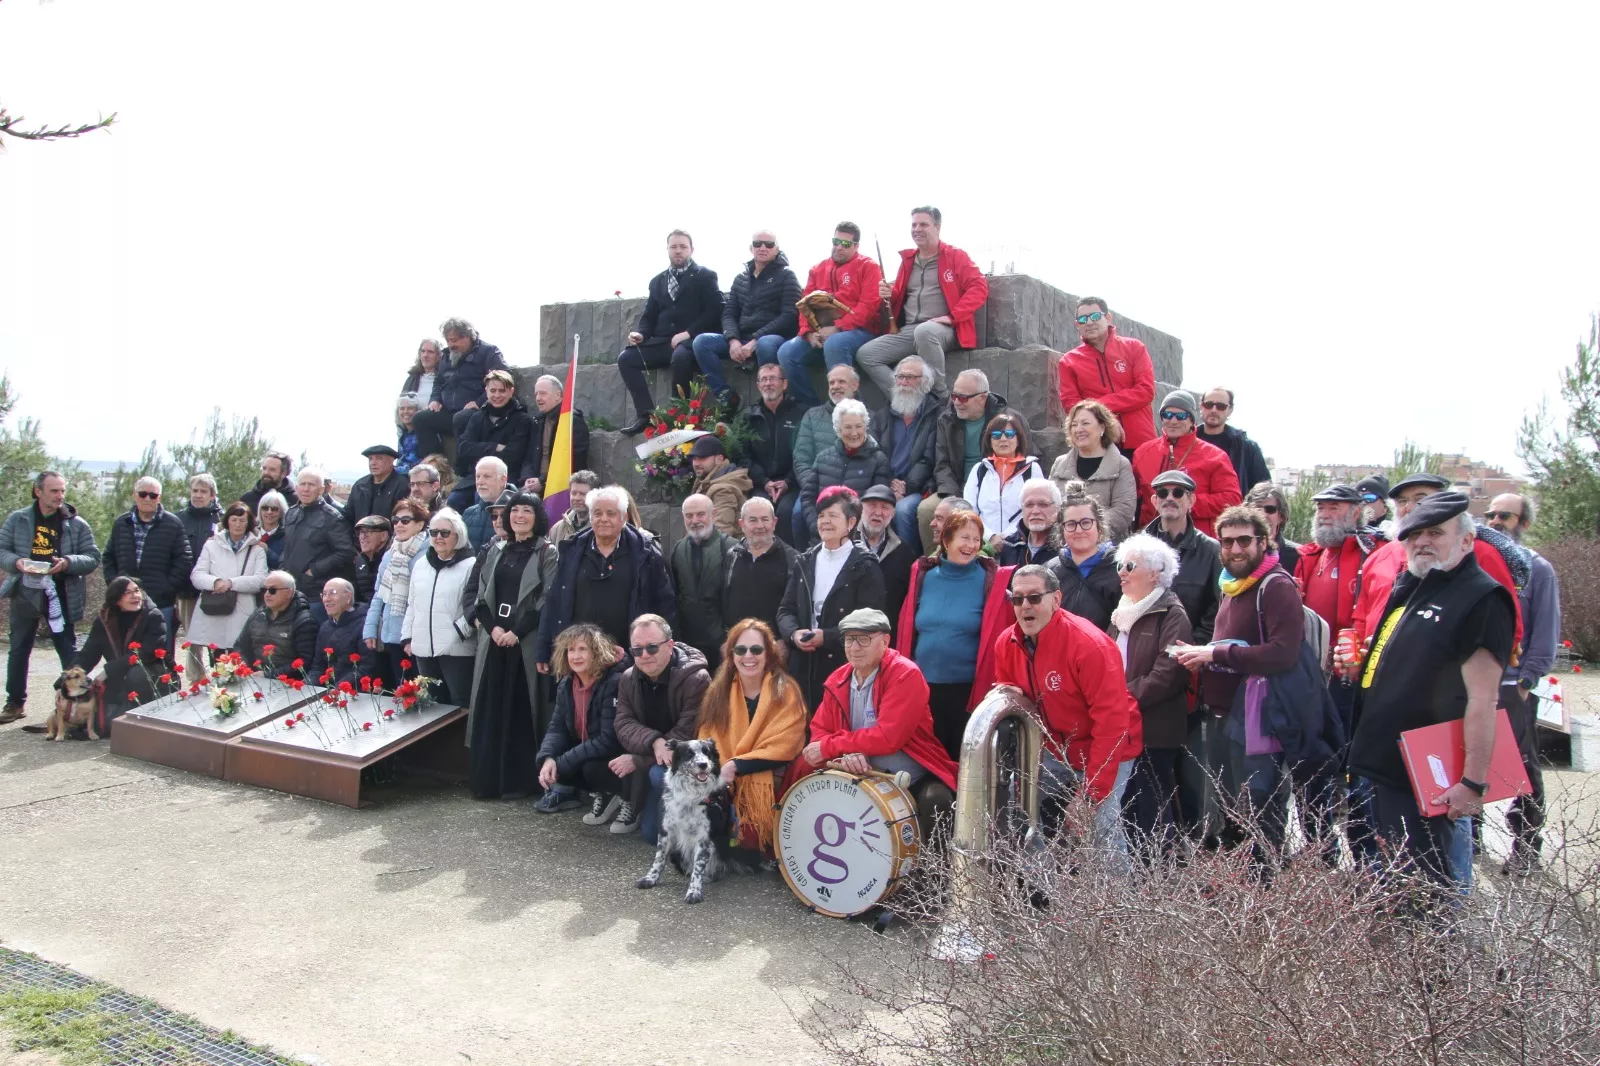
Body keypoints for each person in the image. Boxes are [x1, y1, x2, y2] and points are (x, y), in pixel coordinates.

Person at [1350, 492, 1515, 902]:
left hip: (1427, 774)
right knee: (1389, 894)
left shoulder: (1482, 597)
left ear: (1466, 540)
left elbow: (1483, 699)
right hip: (1379, 765)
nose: (1422, 541)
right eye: (1414, 534)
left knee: (1425, 899)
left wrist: (1472, 783)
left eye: (1436, 533)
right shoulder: (1413, 584)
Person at [1173, 506, 1307, 861]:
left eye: (1244, 540)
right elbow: (1234, 645)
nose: (1235, 549)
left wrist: (1215, 654)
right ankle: (1241, 885)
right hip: (1226, 717)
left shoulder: (1276, 586)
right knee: (1233, 812)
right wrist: (1203, 654)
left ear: (1265, 541)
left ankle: (1267, 887)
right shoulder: (1233, 585)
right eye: (1227, 541)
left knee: (1259, 814)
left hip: (1259, 721)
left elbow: (1283, 654)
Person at [992, 565, 1142, 860]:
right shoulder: (1007, 643)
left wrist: (1090, 796)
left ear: (1056, 599)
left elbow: (1112, 725)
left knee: (1099, 825)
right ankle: (1039, 882)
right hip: (1055, 747)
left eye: (1034, 597)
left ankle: (1117, 889)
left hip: (1108, 744)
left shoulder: (1089, 645)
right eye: (1017, 599)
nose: (1025, 606)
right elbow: (1010, 695)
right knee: (1015, 805)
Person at [797, 608, 958, 845]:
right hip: (856, 778)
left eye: (863, 639)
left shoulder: (905, 674)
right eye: (849, 639)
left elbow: (888, 737)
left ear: (885, 641)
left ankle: (934, 868)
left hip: (909, 780)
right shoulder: (838, 679)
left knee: (936, 801)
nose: (854, 647)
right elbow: (820, 733)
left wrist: (835, 747)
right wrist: (845, 755)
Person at [1352, 473, 1525, 653]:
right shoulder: (1380, 556)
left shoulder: (1479, 552)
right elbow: (1362, 618)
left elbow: (1506, 627)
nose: (1409, 507)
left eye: (1420, 498)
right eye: (1402, 501)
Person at [895, 510, 1014, 760]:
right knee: (926, 764)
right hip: (922, 689)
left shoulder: (991, 581)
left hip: (967, 694)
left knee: (962, 765)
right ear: (946, 540)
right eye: (965, 538)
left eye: (976, 539)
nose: (971, 545)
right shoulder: (923, 576)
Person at [1485, 493, 1560, 876]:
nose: (1495, 520)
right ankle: (1471, 836)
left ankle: (1527, 844)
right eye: (1491, 514)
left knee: (1522, 768)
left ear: (1524, 523)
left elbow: (1546, 634)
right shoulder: (1476, 563)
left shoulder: (1537, 569)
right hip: (1472, 686)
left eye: (1505, 515)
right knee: (1468, 759)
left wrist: (1526, 682)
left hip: (1514, 686)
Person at [467, 493, 558, 800]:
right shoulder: (496, 548)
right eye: (514, 510)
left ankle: (517, 783)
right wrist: (493, 628)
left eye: (527, 510)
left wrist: (516, 632)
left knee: (521, 711)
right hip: (494, 641)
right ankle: (488, 781)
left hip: (524, 643)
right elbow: (481, 596)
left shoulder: (547, 552)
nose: (519, 515)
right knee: (490, 709)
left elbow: (548, 598)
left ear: (537, 516)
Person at [1108, 534, 1193, 854]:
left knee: (1151, 809)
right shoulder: (1122, 611)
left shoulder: (1172, 614)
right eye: (1120, 565)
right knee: (1126, 808)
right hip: (1122, 726)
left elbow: (1168, 674)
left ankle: (1157, 871)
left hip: (1154, 730)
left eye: (1130, 566)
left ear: (1155, 573)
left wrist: (1120, 698)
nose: (1122, 572)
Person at [856, 206, 988, 402]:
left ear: (937, 228)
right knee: (866, 354)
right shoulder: (908, 261)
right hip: (911, 330)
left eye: (923, 224)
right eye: (914, 225)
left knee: (925, 331)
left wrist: (952, 317)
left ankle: (939, 398)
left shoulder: (956, 256)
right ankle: (908, 400)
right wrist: (889, 294)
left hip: (945, 329)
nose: (917, 229)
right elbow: (901, 296)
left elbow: (979, 287)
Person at [536, 486, 677, 668]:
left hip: (630, 657)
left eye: (611, 513)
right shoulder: (572, 550)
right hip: (580, 657)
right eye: (597, 513)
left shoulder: (646, 553)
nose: (603, 519)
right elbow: (554, 600)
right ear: (591, 517)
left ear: (623, 518)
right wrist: (543, 649)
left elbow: (666, 605)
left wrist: (670, 652)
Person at [698, 620, 807, 854]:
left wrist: (736, 765)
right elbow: (706, 738)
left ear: (768, 654)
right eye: (741, 649)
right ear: (731, 654)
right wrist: (721, 770)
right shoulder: (718, 691)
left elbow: (786, 745)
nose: (749, 656)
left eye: (756, 649)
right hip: (724, 779)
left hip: (771, 778)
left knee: (752, 845)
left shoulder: (786, 689)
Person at [0, 471, 100, 722]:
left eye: (62, 491)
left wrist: (67, 562)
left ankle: (75, 706)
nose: (60, 496)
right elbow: (2, 550)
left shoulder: (77, 524)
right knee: (19, 649)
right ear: (38, 491)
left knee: (68, 651)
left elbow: (92, 557)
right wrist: (17, 562)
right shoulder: (18, 519)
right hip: (25, 592)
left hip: (62, 594)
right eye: (54, 491)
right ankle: (15, 703)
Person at [777, 487, 886, 711]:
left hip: (843, 666)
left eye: (833, 515)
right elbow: (785, 610)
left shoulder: (865, 566)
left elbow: (871, 621)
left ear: (851, 522)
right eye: (821, 516)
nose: (825, 521)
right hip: (803, 667)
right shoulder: (805, 560)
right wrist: (794, 634)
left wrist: (826, 637)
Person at [613, 614, 711, 841]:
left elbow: (688, 734)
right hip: (656, 757)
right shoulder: (628, 678)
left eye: (652, 647)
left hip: (687, 762)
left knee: (658, 776)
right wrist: (655, 741)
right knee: (652, 835)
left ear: (670, 645)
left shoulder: (697, 679)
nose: (645, 655)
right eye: (637, 650)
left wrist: (638, 760)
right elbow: (623, 723)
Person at [619, 230, 724, 435]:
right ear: (667, 249)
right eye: (674, 247)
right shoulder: (657, 281)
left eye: (683, 247)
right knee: (626, 358)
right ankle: (646, 416)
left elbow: (715, 311)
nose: (678, 251)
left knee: (680, 358)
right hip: (663, 342)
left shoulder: (705, 276)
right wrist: (641, 334)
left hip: (691, 343)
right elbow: (649, 315)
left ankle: (679, 416)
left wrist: (688, 333)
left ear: (691, 250)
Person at [774, 221, 885, 408]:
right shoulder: (817, 269)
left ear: (856, 246)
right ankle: (812, 410)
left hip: (859, 331)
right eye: (836, 241)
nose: (839, 247)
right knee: (786, 352)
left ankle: (848, 409)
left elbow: (868, 306)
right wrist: (808, 333)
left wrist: (838, 327)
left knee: (835, 342)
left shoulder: (869, 266)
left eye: (846, 244)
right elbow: (804, 306)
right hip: (821, 331)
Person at [534, 624, 637, 824]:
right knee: (551, 765)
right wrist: (548, 758)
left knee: (587, 768)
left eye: (583, 649)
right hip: (592, 748)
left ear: (596, 652)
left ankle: (630, 799)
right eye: (571, 650)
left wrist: (561, 763)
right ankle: (605, 794)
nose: (576, 656)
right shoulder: (566, 684)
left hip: (622, 755)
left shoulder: (614, 681)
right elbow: (557, 728)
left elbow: (609, 740)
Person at [690, 230, 800, 413]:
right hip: (741, 338)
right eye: (758, 244)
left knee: (765, 344)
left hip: (773, 337)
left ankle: (771, 402)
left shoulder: (787, 276)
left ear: (776, 249)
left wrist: (755, 340)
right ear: (751, 248)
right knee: (702, 342)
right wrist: (733, 340)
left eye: (769, 244)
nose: (763, 248)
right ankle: (726, 397)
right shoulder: (740, 278)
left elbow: (789, 315)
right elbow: (729, 313)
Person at [921, 370, 1028, 555]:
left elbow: (1025, 455)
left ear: (982, 397)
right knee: (926, 510)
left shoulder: (1008, 420)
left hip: (994, 485)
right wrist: (954, 497)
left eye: (963, 398)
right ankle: (937, 559)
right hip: (954, 487)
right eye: (954, 396)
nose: (956, 402)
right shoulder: (946, 419)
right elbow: (942, 463)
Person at [102, 477, 193, 654]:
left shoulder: (173, 524)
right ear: (134, 495)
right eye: (143, 494)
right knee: (125, 653)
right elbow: (108, 557)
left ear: (159, 498)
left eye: (153, 495)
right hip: (125, 602)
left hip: (161, 602)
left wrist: (167, 588)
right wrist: (116, 586)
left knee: (161, 654)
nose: (147, 499)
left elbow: (184, 560)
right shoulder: (121, 523)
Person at [1131, 391, 1242, 536]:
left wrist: (1184, 502)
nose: (1173, 421)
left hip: (1196, 540)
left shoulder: (1215, 456)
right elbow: (1131, 498)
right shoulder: (1142, 452)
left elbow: (1232, 499)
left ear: (1191, 420)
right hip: (1152, 538)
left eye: (1181, 416)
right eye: (1167, 415)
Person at [1056, 297, 1157, 453]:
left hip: (1141, 442)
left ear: (1108, 317)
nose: (1089, 322)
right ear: (1077, 325)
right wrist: (1107, 420)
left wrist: (1100, 407)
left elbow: (1146, 391)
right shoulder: (1068, 361)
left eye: (1095, 316)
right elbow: (1072, 405)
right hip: (1098, 444)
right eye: (1082, 319)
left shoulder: (1134, 348)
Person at [401, 508, 477, 705]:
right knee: (433, 703)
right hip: (423, 649)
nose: (438, 538)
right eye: (434, 533)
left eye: (445, 533)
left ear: (458, 535)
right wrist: (408, 637)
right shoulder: (420, 564)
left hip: (457, 650)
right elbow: (412, 603)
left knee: (461, 703)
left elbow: (475, 604)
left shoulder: (472, 565)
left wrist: (459, 632)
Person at [74, 576, 170, 729]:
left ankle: (141, 720)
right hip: (119, 674)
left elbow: (146, 653)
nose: (135, 596)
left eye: (137, 591)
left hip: (154, 674)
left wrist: (108, 670)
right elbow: (88, 653)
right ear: (117, 599)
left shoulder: (153, 616)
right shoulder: (105, 620)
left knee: (136, 674)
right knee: (98, 719)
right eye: (128, 593)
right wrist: (64, 681)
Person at [1142, 470, 1221, 643]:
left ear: (1191, 501)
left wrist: (1195, 643)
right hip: (1145, 647)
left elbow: (1218, 605)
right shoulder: (1137, 548)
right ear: (1154, 501)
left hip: (1191, 649)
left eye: (1178, 493)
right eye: (1163, 493)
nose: (1170, 498)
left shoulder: (1211, 550)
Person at [870, 356, 941, 547]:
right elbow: (874, 452)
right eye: (900, 377)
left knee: (902, 510)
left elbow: (929, 459)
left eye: (910, 377)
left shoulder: (935, 415)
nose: (903, 382)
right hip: (885, 481)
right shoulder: (884, 414)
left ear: (925, 383)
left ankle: (908, 560)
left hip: (919, 487)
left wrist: (906, 487)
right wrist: (888, 482)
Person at [411, 317, 509, 456]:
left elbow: (504, 377)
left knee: (461, 418)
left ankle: (463, 465)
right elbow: (439, 382)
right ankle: (435, 462)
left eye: (454, 340)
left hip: (480, 412)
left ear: (467, 337)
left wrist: (479, 402)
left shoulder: (488, 352)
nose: (450, 345)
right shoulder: (446, 356)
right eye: (448, 341)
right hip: (450, 412)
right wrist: (435, 400)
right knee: (420, 419)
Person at [790, 364, 862, 544]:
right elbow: (801, 458)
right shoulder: (812, 416)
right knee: (798, 513)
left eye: (841, 382)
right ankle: (804, 557)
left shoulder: (867, 417)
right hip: (816, 487)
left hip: (855, 487)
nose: (835, 386)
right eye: (832, 382)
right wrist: (817, 488)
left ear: (855, 385)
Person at [186, 501, 268, 654]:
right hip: (215, 612)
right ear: (227, 521)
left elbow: (261, 580)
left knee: (240, 657)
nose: (237, 525)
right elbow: (197, 575)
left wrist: (231, 583)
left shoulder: (257, 549)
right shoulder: (211, 545)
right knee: (218, 661)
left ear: (248, 523)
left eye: (242, 520)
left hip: (242, 612)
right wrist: (215, 582)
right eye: (234, 520)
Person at [363, 497, 428, 690]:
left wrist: (410, 636)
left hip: (414, 636)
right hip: (390, 633)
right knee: (395, 691)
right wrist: (370, 628)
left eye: (405, 520)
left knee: (417, 692)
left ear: (420, 524)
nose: (399, 525)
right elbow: (378, 595)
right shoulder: (390, 553)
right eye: (395, 520)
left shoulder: (429, 553)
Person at [1050, 400, 1138, 541]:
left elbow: (1123, 511)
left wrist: (1085, 525)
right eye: (1074, 425)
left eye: (1085, 423)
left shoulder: (1121, 464)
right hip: (1063, 543)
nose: (1079, 429)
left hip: (1106, 545)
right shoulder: (1059, 464)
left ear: (1102, 427)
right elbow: (1050, 505)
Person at [739, 363, 806, 545]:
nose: (768, 383)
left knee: (786, 512)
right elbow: (743, 457)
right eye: (764, 380)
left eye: (773, 379)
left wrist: (788, 482)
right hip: (761, 483)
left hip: (793, 483)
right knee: (758, 512)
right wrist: (764, 482)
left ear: (784, 384)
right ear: (758, 385)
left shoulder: (801, 413)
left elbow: (805, 454)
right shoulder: (748, 416)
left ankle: (787, 558)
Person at [801, 399, 891, 535]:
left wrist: (851, 531)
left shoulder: (879, 460)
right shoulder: (823, 458)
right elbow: (808, 497)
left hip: (858, 537)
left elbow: (876, 504)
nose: (854, 433)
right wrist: (817, 526)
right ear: (838, 429)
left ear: (865, 427)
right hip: (823, 535)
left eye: (859, 426)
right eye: (848, 427)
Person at [279, 468, 354, 626]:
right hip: (291, 591)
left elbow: (345, 552)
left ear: (321, 489)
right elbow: (288, 546)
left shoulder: (332, 517)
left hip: (316, 595)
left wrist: (314, 570)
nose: (306, 489)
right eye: (302, 484)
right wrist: (282, 567)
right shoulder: (291, 513)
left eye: (311, 485)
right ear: (296, 487)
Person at [670, 494, 736, 674]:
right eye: (689, 516)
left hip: (722, 643)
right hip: (688, 644)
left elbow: (738, 600)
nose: (694, 521)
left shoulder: (731, 548)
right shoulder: (678, 550)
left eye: (700, 514)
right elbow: (675, 596)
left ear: (713, 514)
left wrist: (730, 638)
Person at [452, 370, 534, 509]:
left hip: (505, 477)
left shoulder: (522, 420)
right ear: (486, 391)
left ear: (511, 391)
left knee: (480, 499)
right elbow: (463, 448)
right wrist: (494, 446)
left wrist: (478, 449)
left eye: (502, 391)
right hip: (475, 478)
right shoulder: (477, 417)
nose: (497, 395)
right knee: (454, 500)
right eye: (493, 391)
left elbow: (513, 455)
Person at [1044, 485, 1121, 631]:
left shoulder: (1120, 569)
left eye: (1086, 522)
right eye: (1071, 524)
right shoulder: (1049, 571)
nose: (1079, 530)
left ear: (1099, 526)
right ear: (1062, 529)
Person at [965, 411, 1046, 549]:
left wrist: (1007, 537)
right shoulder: (979, 470)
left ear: (1018, 438)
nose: (1003, 439)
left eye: (1009, 434)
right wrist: (990, 537)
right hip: (982, 544)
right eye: (996, 435)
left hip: (1021, 543)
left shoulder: (1032, 469)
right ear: (989, 440)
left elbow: (1037, 508)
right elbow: (969, 510)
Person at [722, 497, 798, 636]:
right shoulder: (731, 555)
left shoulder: (792, 559)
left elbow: (794, 607)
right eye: (753, 520)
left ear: (774, 523)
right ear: (742, 524)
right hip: (737, 641)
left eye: (765, 519)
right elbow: (723, 602)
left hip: (774, 643)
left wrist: (785, 640)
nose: (760, 526)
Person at [854, 485, 918, 645]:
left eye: (885, 508)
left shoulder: (904, 551)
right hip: (848, 638)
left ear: (893, 513)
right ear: (861, 508)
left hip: (887, 639)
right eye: (872, 506)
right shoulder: (845, 544)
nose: (878, 513)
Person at [175, 474, 221, 675]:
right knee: (192, 637)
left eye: (203, 491)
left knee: (216, 637)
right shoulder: (178, 519)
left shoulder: (222, 520)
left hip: (216, 588)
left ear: (212, 495)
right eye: (195, 490)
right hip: (187, 588)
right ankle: (196, 678)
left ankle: (221, 676)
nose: (198, 495)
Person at [235, 570, 319, 676]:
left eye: (272, 590)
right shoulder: (257, 614)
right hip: (255, 677)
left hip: (288, 682)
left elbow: (305, 662)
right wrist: (244, 667)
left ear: (289, 592)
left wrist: (269, 674)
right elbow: (240, 646)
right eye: (264, 590)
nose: (267, 595)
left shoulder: (304, 621)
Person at [1196, 387, 1271, 497]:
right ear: (1201, 406)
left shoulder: (1246, 447)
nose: (1214, 410)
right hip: (1194, 506)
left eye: (1221, 406)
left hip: (1234, 507)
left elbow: (1263, 491)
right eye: (1209, 404)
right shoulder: (1186, 441)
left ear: (1230, 410)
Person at [521, 374, 590, 494]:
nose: (538, 398)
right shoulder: (537, 421)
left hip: (561, 489)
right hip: (535, 486)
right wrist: (527, 478)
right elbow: (528, 457)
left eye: (543, 393)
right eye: (536, 394)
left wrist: (543, 481)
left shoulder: (572, 422)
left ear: (558, 395)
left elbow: (573, 461)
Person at [309, 578, 375, 687]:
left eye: (333, 593)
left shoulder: (365, 625)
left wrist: (338, 689)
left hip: (355, 690)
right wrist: (307, 686)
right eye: (324, 594)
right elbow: (318, 666)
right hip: (330, 689)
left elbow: (366, 668)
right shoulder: (325, 627)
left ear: (348, 597)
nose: (326, 599)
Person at [687, 436, 752, 537]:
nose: (696, 463)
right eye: (694, 458)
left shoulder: (723, 490)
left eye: (702, 458)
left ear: (719, 459)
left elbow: (721, 533)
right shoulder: (706, 480)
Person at [999, 479, 1062, 568]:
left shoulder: (1066, 546)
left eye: (1043, 504)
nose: (1035, 511)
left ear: (1058, 508)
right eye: (1029, 505)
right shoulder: (1010, 545)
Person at [345, 445, 409, 529]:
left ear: (391, 461)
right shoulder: (360, 485)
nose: (373, 463)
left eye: (379, 458)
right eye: (370, 459)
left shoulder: (402, 485)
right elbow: (348, 516)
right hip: (359, 536)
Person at [1245, 481, 1301, 576]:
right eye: (1256, 509)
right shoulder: (1236, 550)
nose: (1263, 514)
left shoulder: (1297, 555)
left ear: (1281, 516)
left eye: (1270, 509)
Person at [460, 456, 510, 549]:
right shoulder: (468, 513)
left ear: (503, 480)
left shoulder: (516, 514)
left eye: (487, 476)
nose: (480, 482)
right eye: (478, 476)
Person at [351, 515, 391, 605]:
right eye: (361, 532)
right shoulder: (359, 560)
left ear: (384, 536)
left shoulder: (391, 560)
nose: (362, 537)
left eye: (368, 532)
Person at [402, 337, 443, 411]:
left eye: (430, 352)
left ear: (438, 356)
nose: (425, 355)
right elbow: (401, 406)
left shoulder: (444, 379)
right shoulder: (412, 379)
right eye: (423, 351)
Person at [254, 490, 289, 571]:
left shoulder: (288, 536)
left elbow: (286, 566)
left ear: (281, 512)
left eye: (274, 509)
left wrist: (268, 552)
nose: (269, 512)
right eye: (265, 508)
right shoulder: (250, 533)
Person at [395, 394, 422, 476]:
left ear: (418, 410)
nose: (405, 411)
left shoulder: (423, 432)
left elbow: (426, 460)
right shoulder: (402, 433)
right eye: (402, 408)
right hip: (400, 474)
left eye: (410, 408)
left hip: (417, 475)